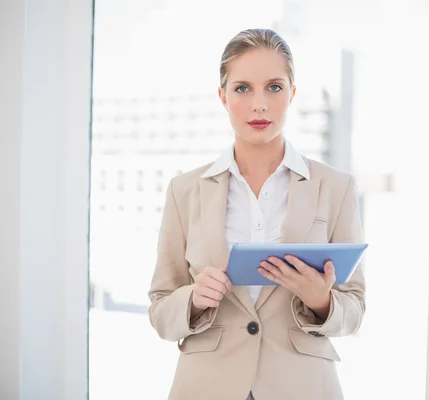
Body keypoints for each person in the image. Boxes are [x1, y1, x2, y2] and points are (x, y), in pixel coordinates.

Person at [148, 28, 366, 400]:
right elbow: (160, 310)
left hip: (303, 385)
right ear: (223, 96)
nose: (259, 104)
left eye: (274, 87)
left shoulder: (335, 187)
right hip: (206, 385)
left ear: (292, 94)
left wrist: (321, 301)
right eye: (243, 88)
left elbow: (355, 309)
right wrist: (194, 299)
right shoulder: (185, 190)